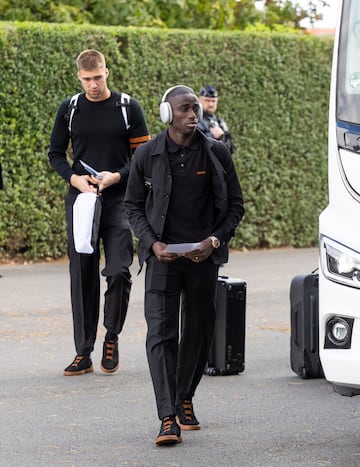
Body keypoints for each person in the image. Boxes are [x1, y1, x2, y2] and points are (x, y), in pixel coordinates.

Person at [125, 85, 244, 446]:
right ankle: (167, 417)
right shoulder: (147, 155)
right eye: (185, 109)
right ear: (167, 114)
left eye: (196, 109)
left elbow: (236, 206)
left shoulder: (217, 154)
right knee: (161, 334)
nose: (194, 114)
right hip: (162, 259)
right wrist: (152, 243)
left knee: (199, 330)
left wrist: (213, 242)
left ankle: (184, 397)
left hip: (203, 260)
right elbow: (132, 207)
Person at [48, 49, 150, 376]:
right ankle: (83, 352)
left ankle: (112, 335)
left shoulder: (127, 108)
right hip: (81, 200)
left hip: (119, 200)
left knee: (119, 270)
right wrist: (75, 179)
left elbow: (144, 157)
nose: (93, 85)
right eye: (87, 79)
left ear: (107, 71)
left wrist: (117, 176)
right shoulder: (70, 109)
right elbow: (55, 154)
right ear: (79, 77)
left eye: (98, 77)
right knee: (82, 276)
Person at [197, 85, 235, 154]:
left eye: (213, 101)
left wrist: (222, 137)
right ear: (199, 100)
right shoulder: (193, 120)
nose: (211, 104)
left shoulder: (219, 122)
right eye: (207, 100)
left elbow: (230, 149)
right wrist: (214, 136)